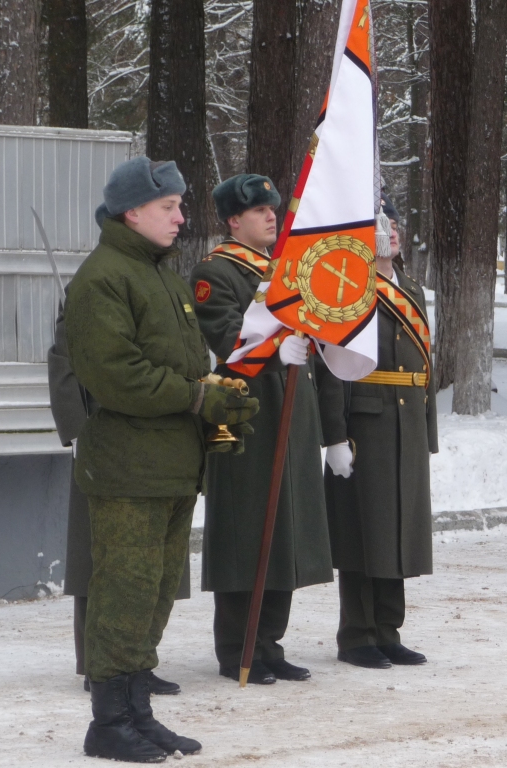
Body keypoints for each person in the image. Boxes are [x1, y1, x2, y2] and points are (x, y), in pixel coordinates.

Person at [66, 157, 259, 762]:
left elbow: (183, 364)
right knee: (124, 592)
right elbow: (117, 376)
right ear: (133, 212)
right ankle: (108, 723)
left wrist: (218, 404)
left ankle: (136, 711)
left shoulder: (161, 276)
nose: (181, 216)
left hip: (170, 466)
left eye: (180, 205)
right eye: (169, 207)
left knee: (151, 596)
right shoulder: (104, 278)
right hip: (128, 468)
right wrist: (200, 397)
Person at [190, 173, 333, 686]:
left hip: (291, 411)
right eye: (258, 211)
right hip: (245, 412)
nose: (271, 216)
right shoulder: (216, 271)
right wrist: (275, 349)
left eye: (273, 208)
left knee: (285, 528)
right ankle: (237, 645)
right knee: (247, 530)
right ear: (233, 221)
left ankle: (269, 641)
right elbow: (227, 336)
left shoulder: (283, 269)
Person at [319, 193, 438, 669]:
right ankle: (357, 635)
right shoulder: (347, 286)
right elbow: (331, 367)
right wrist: (333, 435)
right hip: (365, 421)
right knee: (363, 532)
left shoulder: (411, 287)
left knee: (398, 533)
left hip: (405, 420)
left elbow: (424, 365)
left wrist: (426, 429)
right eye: (377, 225)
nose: (387, 232)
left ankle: (388, 630)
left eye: (391, 223)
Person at [48, 297, 186, 697]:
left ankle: (138, 659)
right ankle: (99, 664)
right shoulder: (93, 284)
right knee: (100, 557)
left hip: (156, 432)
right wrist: (76, 430)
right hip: (104, 435)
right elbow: (63, 359)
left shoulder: (160, 283)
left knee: (149, 560)